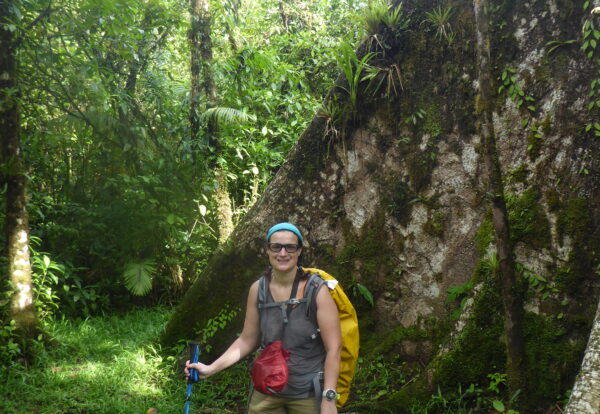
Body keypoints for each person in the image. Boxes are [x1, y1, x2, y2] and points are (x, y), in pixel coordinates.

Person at [185, 222, 342, 414]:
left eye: (290, 247)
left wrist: (328, 398)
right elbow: (247, 339)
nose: (282, 253)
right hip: (267, 388)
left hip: (308, 392)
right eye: (276, 247)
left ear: (299, 251)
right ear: (267, 250)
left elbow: (334, 348)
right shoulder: (258, 289)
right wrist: (211, 368)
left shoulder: (317, 290)